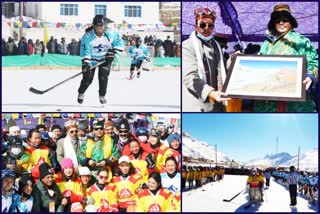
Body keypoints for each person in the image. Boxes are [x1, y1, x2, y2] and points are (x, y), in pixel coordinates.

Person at [255, 3, 318, 112]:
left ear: (291, 22)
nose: (281, 22)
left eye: (285, 19)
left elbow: (313, 60)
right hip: (269, 97)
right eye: (277, 20)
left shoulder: (301, 41)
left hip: (295, 98)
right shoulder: (266, 43)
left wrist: (310, 76)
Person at [183, 6, 230, 112]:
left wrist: (235, 59)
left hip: (217, 102)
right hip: (198, 103)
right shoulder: (188, 45)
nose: (206, 28)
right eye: (203, 25)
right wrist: (210, 93)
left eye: (210, 25)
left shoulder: (216, 45)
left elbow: (223, 67)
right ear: (196, 26)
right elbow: (189, 77)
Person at [77, 14, 124, 104]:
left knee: (103, 78)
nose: (99, 29)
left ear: (104, 26)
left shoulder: (111, 34)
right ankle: (81, 92)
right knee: (88, 78)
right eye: (97, 26)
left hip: (105, 59)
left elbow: (119, 45)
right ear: (93, 26)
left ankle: (102, 96)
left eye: (101, 26)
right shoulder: (87, 37)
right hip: (92, 60)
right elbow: (85, 51)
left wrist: (112, 53)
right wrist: (85, 63)